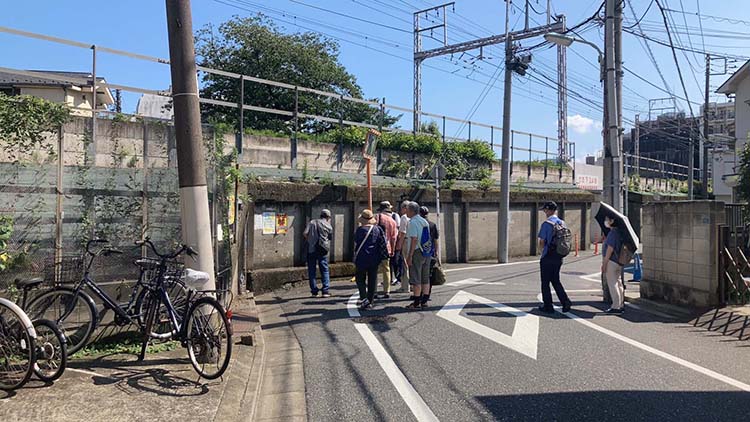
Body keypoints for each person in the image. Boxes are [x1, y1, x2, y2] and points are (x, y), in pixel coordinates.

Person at [537, 201, 572, 313]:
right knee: (556, 280)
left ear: (549, 210)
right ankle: (565, 301)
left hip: (548, 255)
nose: (544, 212)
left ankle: (548, 305)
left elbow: (542, 241)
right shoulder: (562, 223)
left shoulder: (547, 224)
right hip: (559, 255)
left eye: (545, 210)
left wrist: (541, 252)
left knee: (545, 282)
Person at [353, 209, 387, 309]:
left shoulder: (360, 230)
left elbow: (356, 241)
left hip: (362, 257)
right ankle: (370, 300)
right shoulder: (378, 229)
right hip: (374, 258)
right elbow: (382, 242)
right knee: (373, 279)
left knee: (360, 278)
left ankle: (364, 299)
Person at [405, 201, 432, 309]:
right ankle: (424, 301)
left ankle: (416, 302)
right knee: (425, 277)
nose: (406, 211)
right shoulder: (424, 221)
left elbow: (414, 239)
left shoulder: (412, 222)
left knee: (416, 277)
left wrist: (410, 255)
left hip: (417, 251)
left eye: (407, 209)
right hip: (427, 251)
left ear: (411, 211)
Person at [303, 209, 332, 298]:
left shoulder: (312, 222)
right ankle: (325, 291)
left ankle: (314, 292)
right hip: (322, 250)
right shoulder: (329, 226)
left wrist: (310, 240)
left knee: (312, 270)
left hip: (311, 249)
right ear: (328, 217)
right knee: (324, 270)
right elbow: (329, 238)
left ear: (320, 215)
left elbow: (305, 233)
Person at [376, 202, 399, 299]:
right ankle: (387, 290)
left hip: (376, 247)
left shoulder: (377, 217)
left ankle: (374, 290)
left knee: (374, 269)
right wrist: (393, 249)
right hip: (387, 247)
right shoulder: (393, 221)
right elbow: (394, 238)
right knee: (387, 269)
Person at [602, 216, 625, 314]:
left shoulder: (613, 233)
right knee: (618, 283)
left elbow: (610, 249)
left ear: (612, 221)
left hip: (611, 261)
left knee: (613, 284)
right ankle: (620, 305)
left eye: (607, 219)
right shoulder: (619, 232)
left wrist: (604, 263)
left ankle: (615, 307)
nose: (606, 221)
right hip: (618, 261)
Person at [395, 200, 411, 294]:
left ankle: (405, 287)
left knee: (405, 265)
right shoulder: (414, 217)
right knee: (412, 264)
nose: (400, 210)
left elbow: (402, 233)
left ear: (405, 208)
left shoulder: (404, 218)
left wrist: (399, 245)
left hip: (405, 242)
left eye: (401, 208)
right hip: (414, 242)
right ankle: (413, 285)